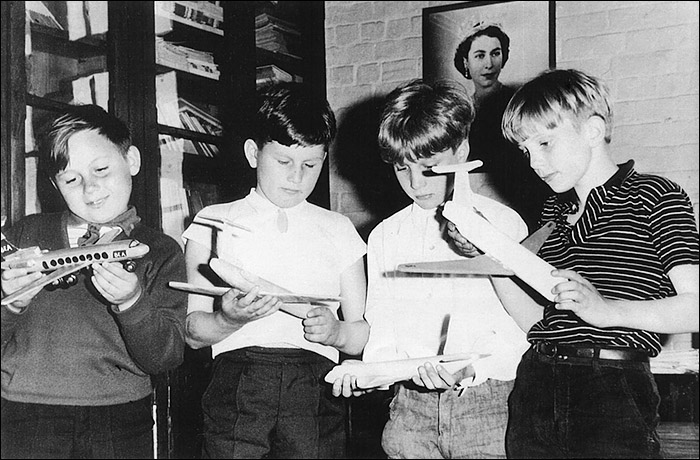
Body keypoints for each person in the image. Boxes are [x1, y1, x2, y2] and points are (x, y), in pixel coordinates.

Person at [450, 68, 699, 458]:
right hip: (536, 383)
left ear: (593, 131)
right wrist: (490, 257)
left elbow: (696, 307)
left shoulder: (656, 195)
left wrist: (606, 310)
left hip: (611, 390)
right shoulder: (552, 213)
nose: (534, 161)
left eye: (545, 143)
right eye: (526, 150)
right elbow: (538, 325)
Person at [333, 79, 529, 459]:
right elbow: (383, 326)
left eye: (429, 168)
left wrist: (470, 369)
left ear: (463, 150)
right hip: (410, 410)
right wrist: (368, 373)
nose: (414, 184)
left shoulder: (503, 224)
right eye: (401, 168)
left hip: (489, 407)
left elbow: (520, 330)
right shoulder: (385, 236)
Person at [182, 82, 368, 459]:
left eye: (311, 164)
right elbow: (193, 333)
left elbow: (361, 334)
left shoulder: (338, 229)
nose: (297, 177)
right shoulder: (213, 222)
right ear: (253, 153)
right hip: (238, 381)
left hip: (314, 388)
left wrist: (335, 333)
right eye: (284, 162)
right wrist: (229, 319)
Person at [1, 104, 188, 459]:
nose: (90, 188)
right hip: (25, 411)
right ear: (56, 184)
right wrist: (12, 301)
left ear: (131, 160)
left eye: (101, 169)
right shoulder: (26, 234)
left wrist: (132, 302)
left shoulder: (160, 251)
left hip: (121, 417)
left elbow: (165, 357)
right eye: (71, 179)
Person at [454, 20, 549, 232]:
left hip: (520, 203)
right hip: (478, 203)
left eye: (495, 53)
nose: (489, 63)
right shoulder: (459, 111)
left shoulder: (518, 104)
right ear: (466, 62)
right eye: (479, 55)